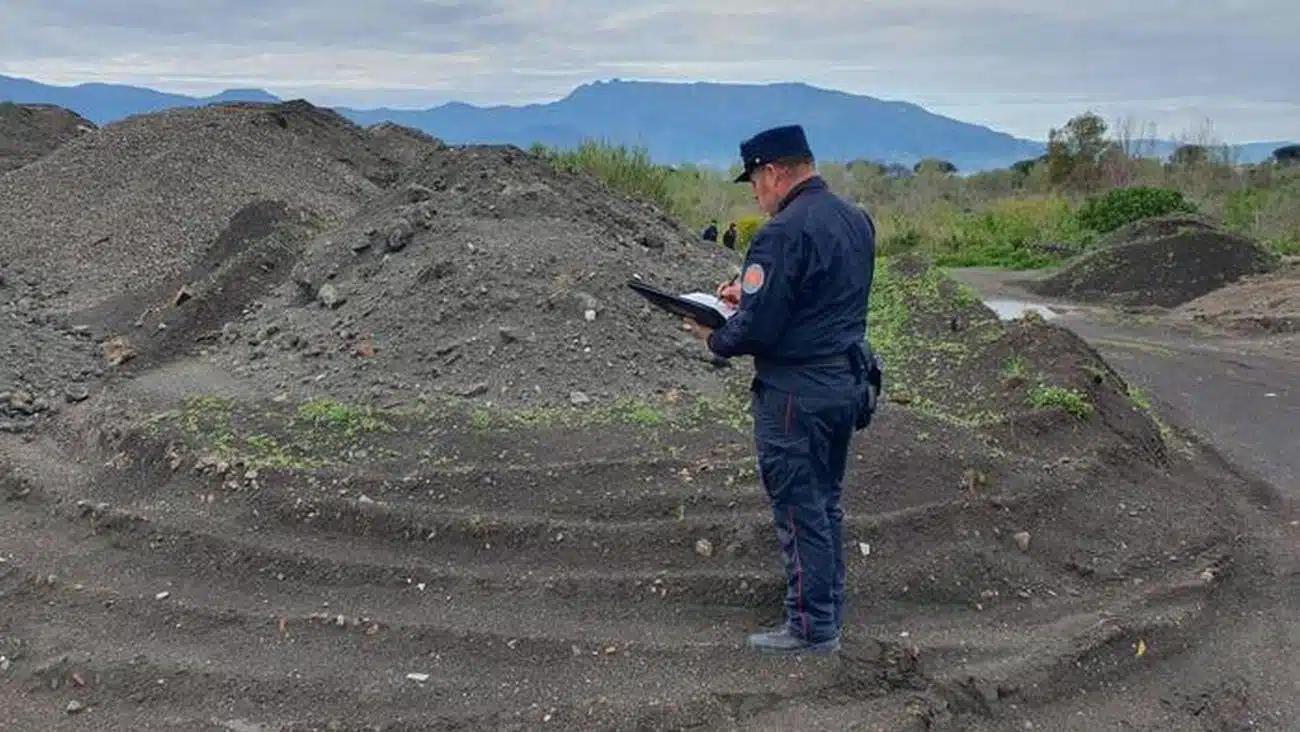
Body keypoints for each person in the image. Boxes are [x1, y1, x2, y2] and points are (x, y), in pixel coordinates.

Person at [684, 124, 880, 654]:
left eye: (754, 183)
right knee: (827, 503)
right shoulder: (856, 220)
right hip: (845, 381)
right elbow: (817, 300)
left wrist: (715, 335)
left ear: (773, 173)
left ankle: (811, 628)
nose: (755, 195)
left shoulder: (780, 234)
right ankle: (828, 606)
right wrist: (746, 298)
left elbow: (763, 329)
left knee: (799, 507)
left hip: (796, 394)